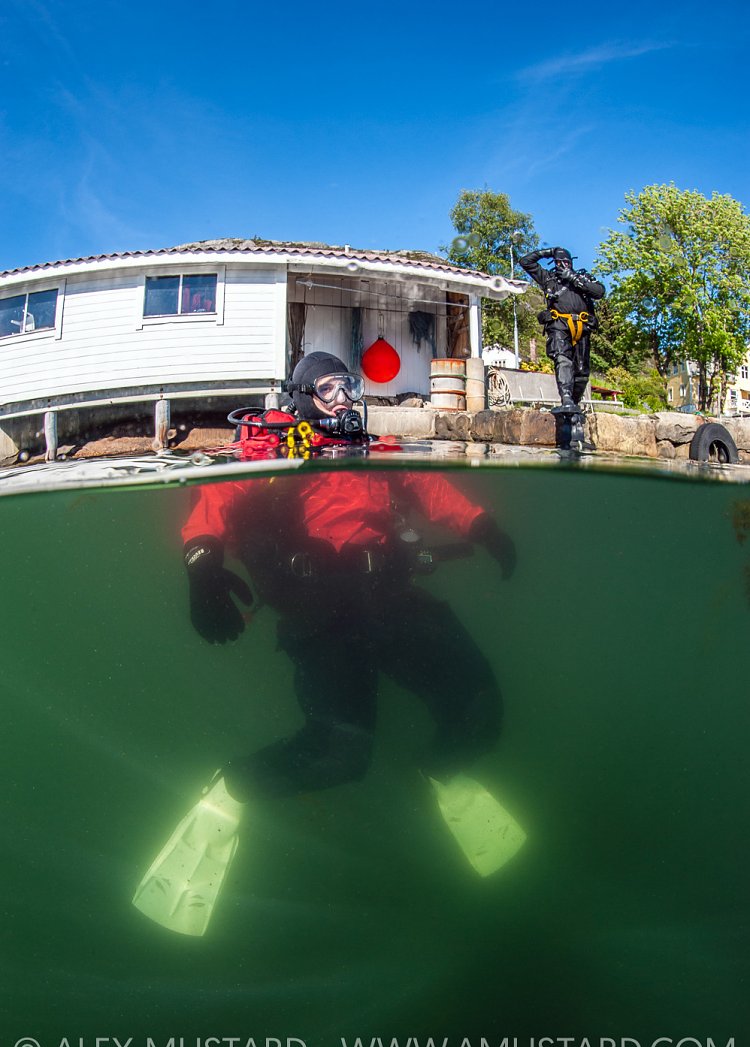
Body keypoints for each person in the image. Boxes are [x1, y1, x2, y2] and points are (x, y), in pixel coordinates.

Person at [132, 353, 526, 936]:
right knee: (341, 756)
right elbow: (213, 505)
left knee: (480, 707)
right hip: (322, 620)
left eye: (349, 387)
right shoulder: (273, 453)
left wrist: (481, 527)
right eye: (328, 390)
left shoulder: (368, 450)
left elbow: (426, 485)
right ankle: (234, 790)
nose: (343, 400)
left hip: (390, 601)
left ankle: (439, 768)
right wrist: (202, 569)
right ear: (301, 398)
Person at [519, 247, 605, 444]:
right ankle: (566, 398)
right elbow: (525, 262)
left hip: (582, 327)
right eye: (559, 262)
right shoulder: (548, 279)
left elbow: (600, 291)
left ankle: (574, 402)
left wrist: (575, 278)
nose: (562, 265)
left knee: (582, 372)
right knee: (563, 360)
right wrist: (547, 252)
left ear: (571, 263)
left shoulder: (583, 279)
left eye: (566, 262)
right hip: (559, 326)